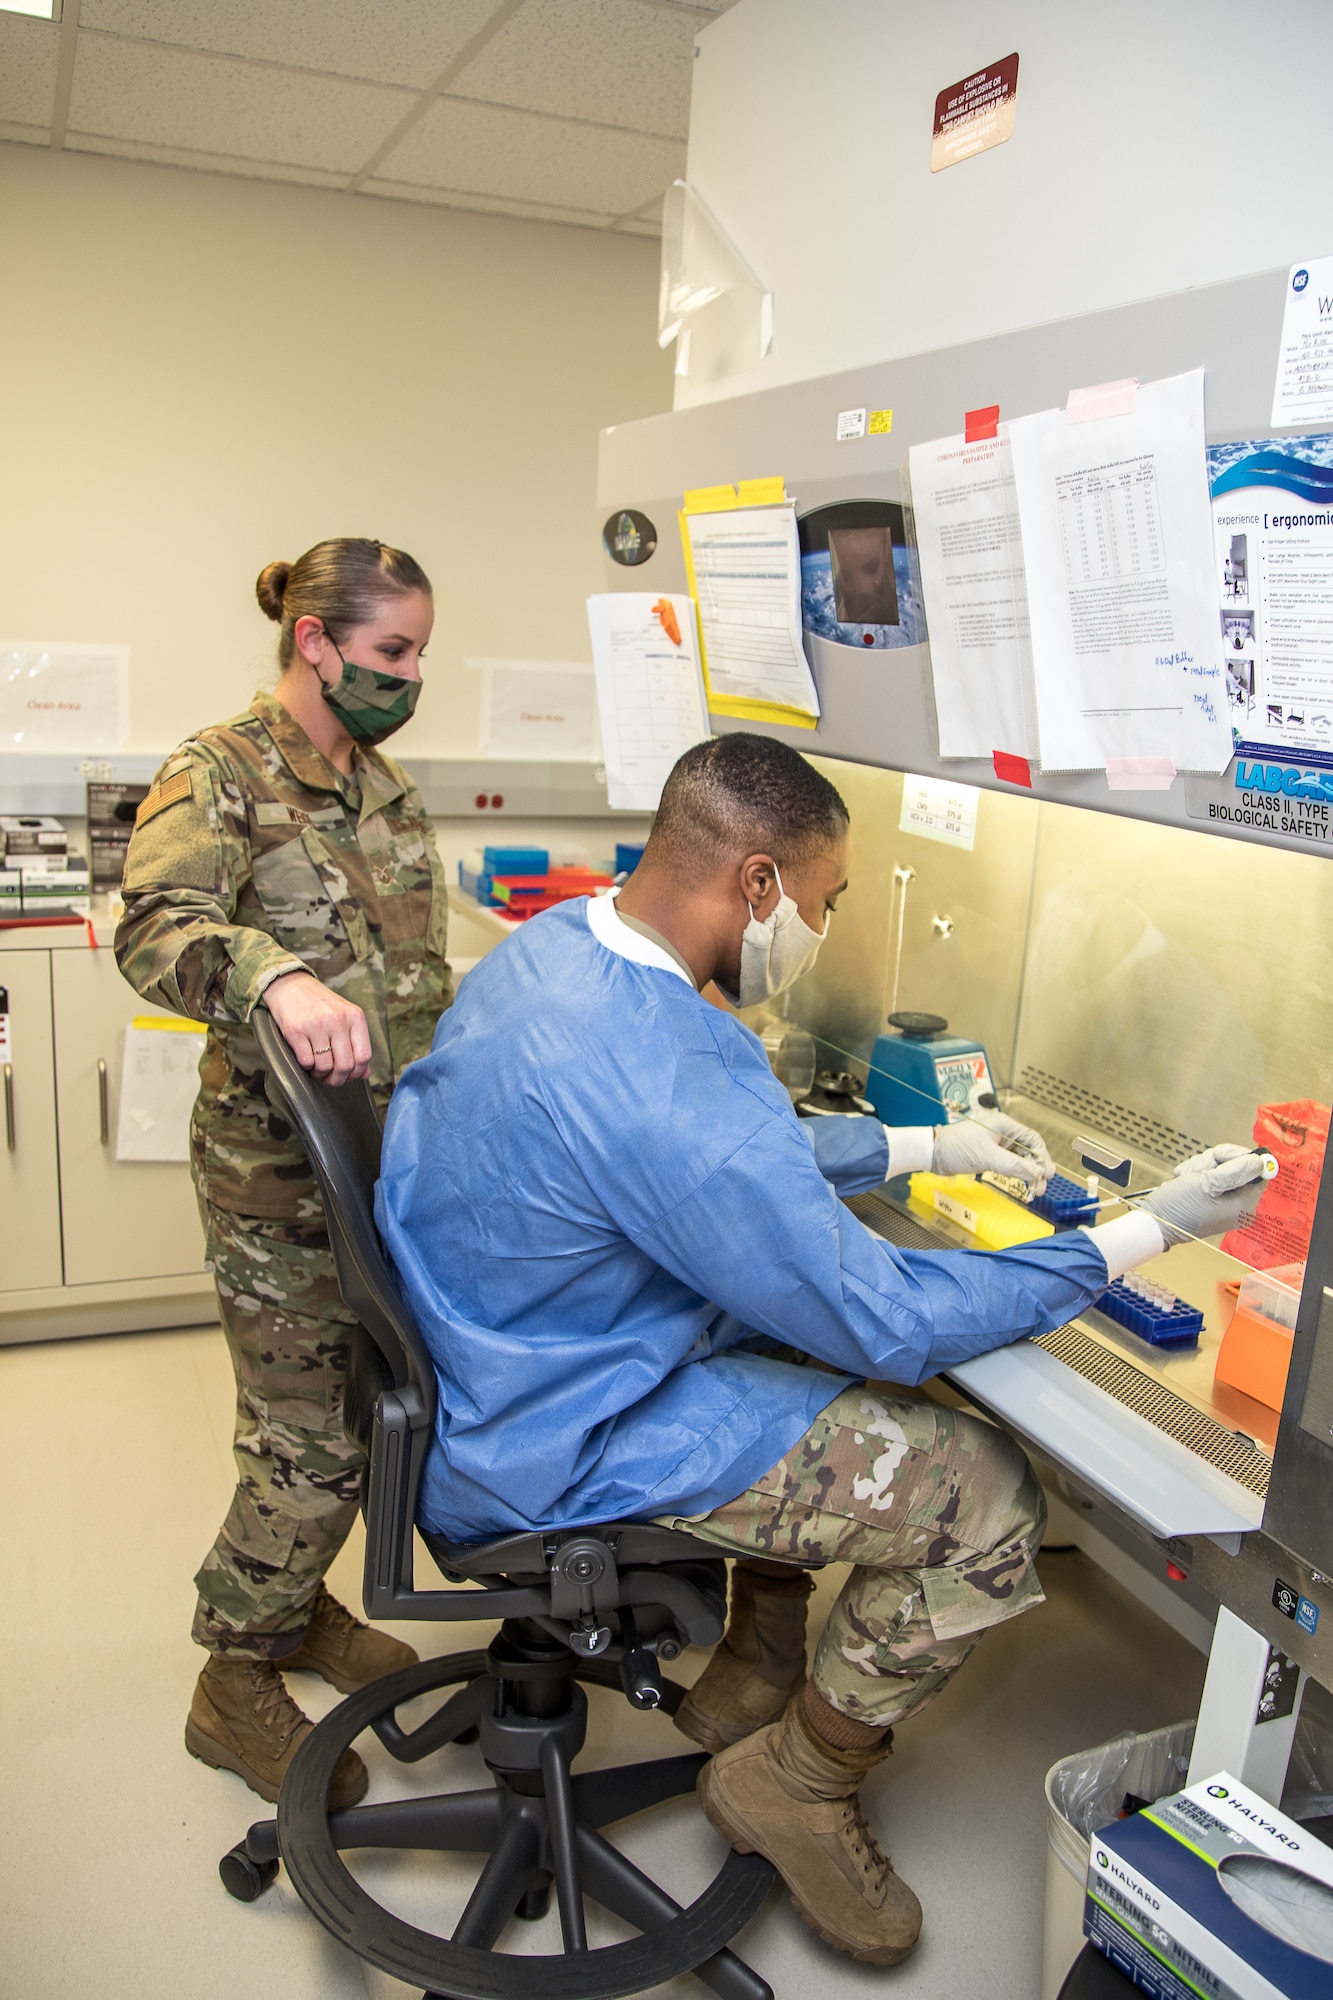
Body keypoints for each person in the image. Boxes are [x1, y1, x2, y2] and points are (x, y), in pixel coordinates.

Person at [375, 733, 1268, 1967]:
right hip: (558, 1435)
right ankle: (797, 1778)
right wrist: (1137, 1233)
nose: (823, 923)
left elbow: (713, 1158)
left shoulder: (562, 949)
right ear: (756, 883)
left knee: (789, 1338)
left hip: (500, 1355)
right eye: (826, 898)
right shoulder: (667, 1069)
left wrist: (923, 1150)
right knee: (984, 1487)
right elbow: (885, 1317)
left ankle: (756, 1652)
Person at [117, 537, 454, 1811]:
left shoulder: (388, 791)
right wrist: (276, 972)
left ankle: (298, 1603)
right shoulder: (218, 772)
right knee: (305, 1434)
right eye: (391, 651)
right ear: (315, 641)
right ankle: (234, 1671)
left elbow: (414, 981)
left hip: (384, 1165)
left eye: (418, 651)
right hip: (275, 1172)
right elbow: (154, 930)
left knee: (361, 1403)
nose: (411, 674)